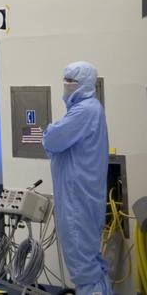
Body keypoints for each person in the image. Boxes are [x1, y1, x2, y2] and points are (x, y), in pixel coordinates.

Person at [43, 61, 111, 295]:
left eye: (71, 81)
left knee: (84, 267)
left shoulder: (85, 111)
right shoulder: (88, 110)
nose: (66, 85)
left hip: (77, 200)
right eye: (66, 80)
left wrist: (50, 130)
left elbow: (52, 139)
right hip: (80, 197)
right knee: (89, 263)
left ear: (85, 84)